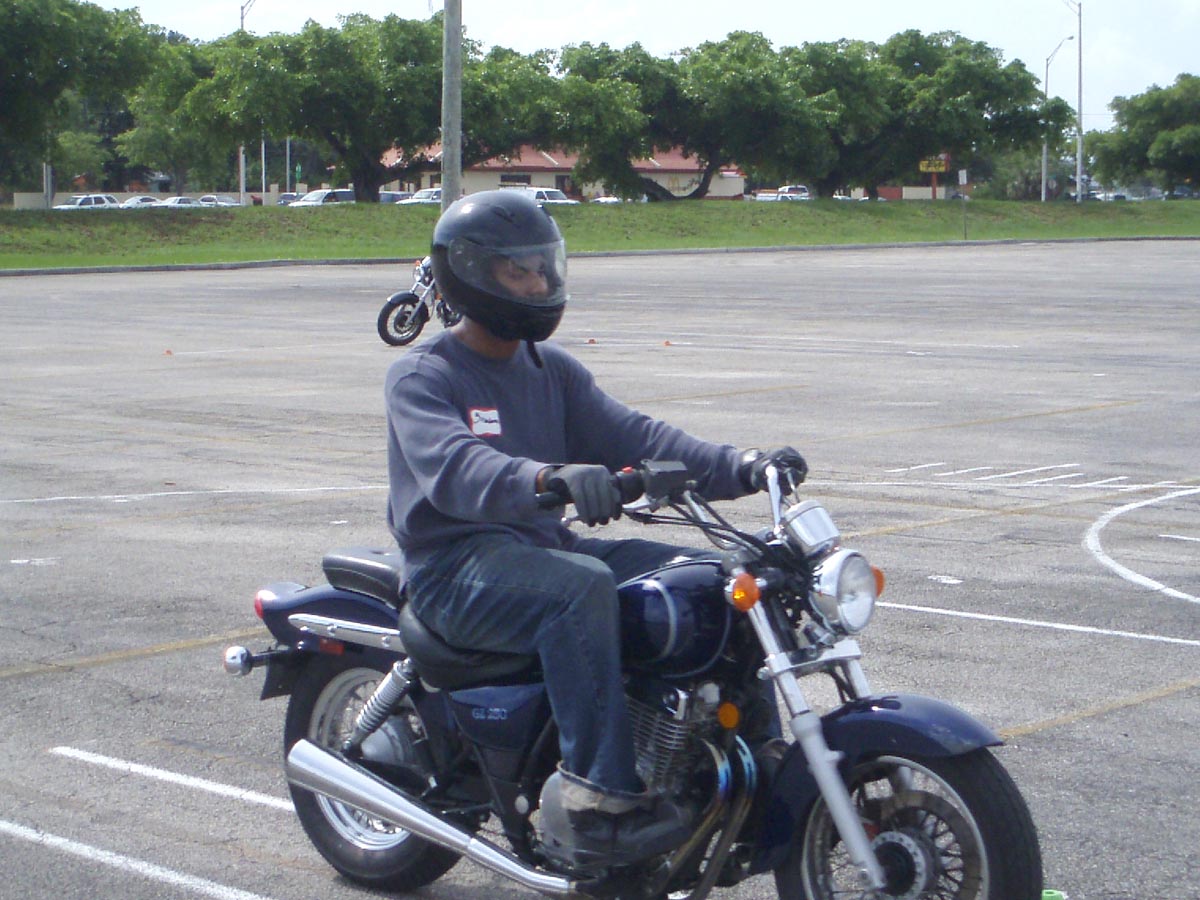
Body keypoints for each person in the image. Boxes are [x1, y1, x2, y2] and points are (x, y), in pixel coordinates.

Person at [384, 189, 806, 868]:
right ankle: (599, 802)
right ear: (471, 273)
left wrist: (742, 465)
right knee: (578, 589)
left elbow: (638, 436)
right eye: (518, 272)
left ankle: (755, 757)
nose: (537, 284)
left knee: (720, 581)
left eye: (542, 268)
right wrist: (547, 478)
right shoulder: (423, 375)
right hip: (452, 569)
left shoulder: (552, 371)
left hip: (542, 550)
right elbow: (456, 467)